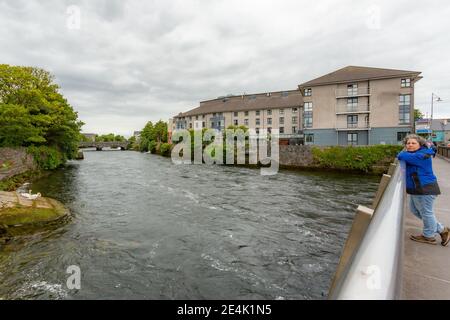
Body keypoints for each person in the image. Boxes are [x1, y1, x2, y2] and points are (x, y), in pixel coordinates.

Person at [397, 134, 449, 246]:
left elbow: (401, 155)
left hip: (425, 188)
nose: (410, 145)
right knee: (415, 210)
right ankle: (441, 229)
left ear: (420, 144)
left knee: (426, 213)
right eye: (408, 143)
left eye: (413, 143)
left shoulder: (420, 155)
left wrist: (403, 152)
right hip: (417, 189)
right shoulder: (418, 153)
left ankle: (428, 236)